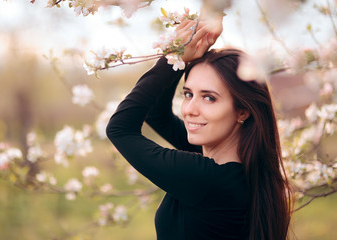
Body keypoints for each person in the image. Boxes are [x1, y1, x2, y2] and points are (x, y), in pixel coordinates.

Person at [106, 17, 293, 240]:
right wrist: (179, 58)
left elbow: (120, 129)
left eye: (209, 98)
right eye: (188, 94)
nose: (189, 109)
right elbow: (156, 115)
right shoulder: (241, 170)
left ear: (243, 111)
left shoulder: (207, 179)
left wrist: (172, 57)